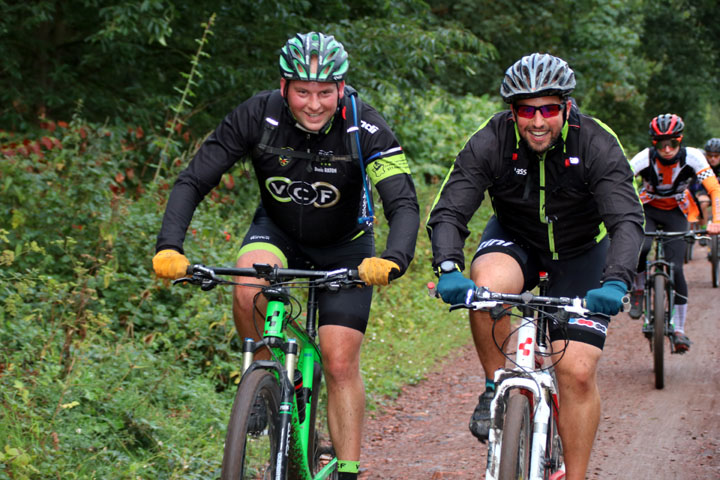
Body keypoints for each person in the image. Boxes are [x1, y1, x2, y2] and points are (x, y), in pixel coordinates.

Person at [152, 32, 420, 480]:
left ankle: (348, 470)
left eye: (324, 92)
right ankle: (260, 373)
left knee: (338, 358)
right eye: (302, 91)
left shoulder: (365, 126)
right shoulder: (257, 115)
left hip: (345, 246)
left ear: (340, 88)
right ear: (283, 88)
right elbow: (193, 179)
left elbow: (403, 203)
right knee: (247, 285)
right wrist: (169, 246)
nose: (313, 104)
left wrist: (395, 257)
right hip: (276, 232)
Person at [426, 53, 644, 480]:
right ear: (513, 112)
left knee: (576, 373)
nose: (538, 120)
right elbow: (450, 210)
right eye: (527, 110)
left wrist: (616, 281)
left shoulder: (596, 142)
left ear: (566, 106)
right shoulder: (491, 140)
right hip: (516, 240)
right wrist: (449, 267)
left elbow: (626, 220)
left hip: (582, 252)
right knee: (486, 289)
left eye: (549, 108)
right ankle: (495, 388)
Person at [627, 116, 720, 351]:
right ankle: (638, 288)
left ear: (680, 141)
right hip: (648, 209)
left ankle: (679, 329)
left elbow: (714, 188)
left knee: (676, 267)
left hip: (677, 212)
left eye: (672, 144)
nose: (667, 150)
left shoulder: (694, 157)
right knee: (642, 247)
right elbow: (620, 181)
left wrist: (716, 221)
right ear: (654, 143)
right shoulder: (644, 158)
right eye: (660, 144)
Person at [692, 137, 720, 229]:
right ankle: (704, 229)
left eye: (716, 156)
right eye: (709, 155)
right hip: (706, 191)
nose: (712, 159)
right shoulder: (702, 164)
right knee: (702, 202)